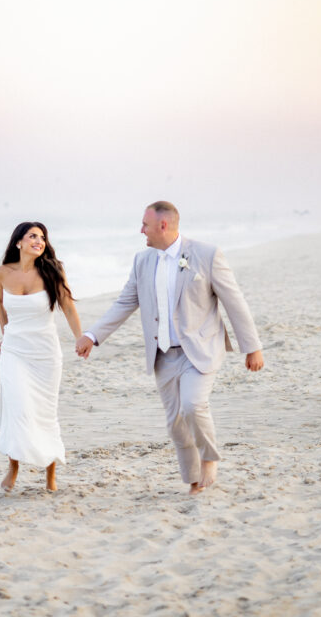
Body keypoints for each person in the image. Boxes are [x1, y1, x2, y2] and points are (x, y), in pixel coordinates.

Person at [76, 201, 264, 494]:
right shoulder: (142, 261)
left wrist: (252, 347)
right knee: (175, 424)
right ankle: (193, 483)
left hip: (198, 350)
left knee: (193, 405)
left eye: (145, 224)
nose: (141, 231)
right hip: (163, 355)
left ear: (163, 225)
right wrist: (92, 335)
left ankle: (210, 457)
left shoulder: (206, 255)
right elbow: (125, 302)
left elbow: (234, 300)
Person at [0, 221, 83, 493]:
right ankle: (14, 465)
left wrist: (81, 337)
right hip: (14, 351)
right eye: (32, 236)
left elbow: (67, 307)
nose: (39, 241)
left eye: (42, 237)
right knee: (17, 408)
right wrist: (4, 334)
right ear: (18, 242)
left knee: (44, 413)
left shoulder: (52, 271)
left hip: (44, 353)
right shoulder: (2, 273)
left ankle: (50, 474)